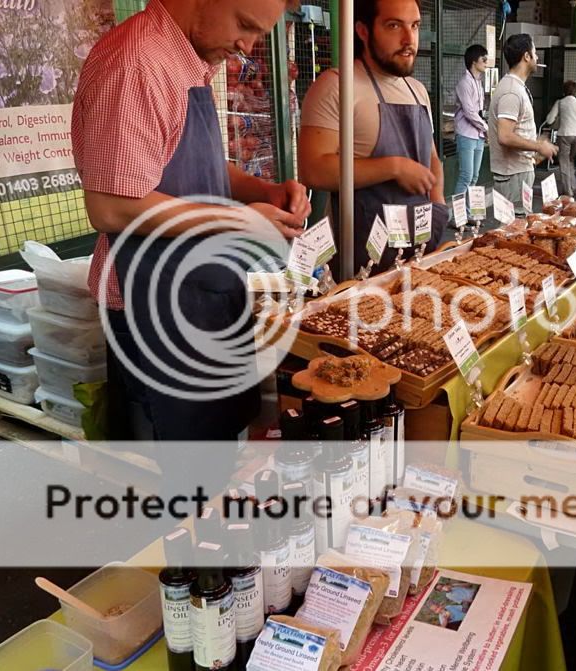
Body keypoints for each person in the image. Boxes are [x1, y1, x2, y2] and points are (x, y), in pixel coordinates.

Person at [72, 0, 308, 495]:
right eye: (245, 26)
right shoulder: (136, 60)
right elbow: (113, 205)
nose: (247, 47)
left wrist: (260, 192)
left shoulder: (190, 57)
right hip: (155, 311)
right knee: (187, 486)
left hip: (203, 296)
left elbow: (201, 166)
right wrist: (240, 219)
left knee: (222, 466)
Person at [299, 0, 447, 274]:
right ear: (363, 31)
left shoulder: (417, 90)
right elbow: (313, 170)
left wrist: (438, 209)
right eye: (394, 26)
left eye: (414, 26)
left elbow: (432, 159)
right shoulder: (337, 86)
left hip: (420, 247)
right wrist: (394, 167)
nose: (408, 39)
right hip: (360, 260)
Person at [488, 33, 558, 217]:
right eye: (534, 53)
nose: (537, 58)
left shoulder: (515, 87)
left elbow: (514, 131)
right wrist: (538, 146)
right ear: (526, 56)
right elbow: (505, 136)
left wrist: (534, 148)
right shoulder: (511, 91)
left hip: (517, 172)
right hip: (513, 175)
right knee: (513, 230)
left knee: (516, 227)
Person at [453, 44, 488, 204]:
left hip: (478, 135)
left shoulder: (478, 82)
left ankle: (468, 214)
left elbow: (478, 111)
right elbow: (470, 112)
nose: (486, 63)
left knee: (474, 177)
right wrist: (486, 127)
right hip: (466, 134)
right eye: (484, 60)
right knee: (466, 175)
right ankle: (456, 216)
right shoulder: (464, 83)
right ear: (474, 62)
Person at [544, 80, 576, 195]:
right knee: (571, 160)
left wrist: (555, 119)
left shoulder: (560, 102)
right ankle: (574, 185)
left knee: (564, 162)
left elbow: (549, 119)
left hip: (564, 135)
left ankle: (568, 190)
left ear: (564, 91)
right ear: (575, 91)